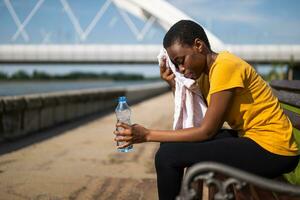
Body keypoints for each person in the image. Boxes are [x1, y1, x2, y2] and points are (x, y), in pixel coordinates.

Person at [113, 20, 299, 200]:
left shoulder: (225, 66)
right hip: (253, 139)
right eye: (176, 64)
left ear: (199, 45)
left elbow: (206, 131)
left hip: (274, 149)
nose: (182, 69)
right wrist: (172, 83)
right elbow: (195, 119)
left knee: (168, 156)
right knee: (168, 147)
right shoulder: (204, 75)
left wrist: (146, 135)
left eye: (181, 60)